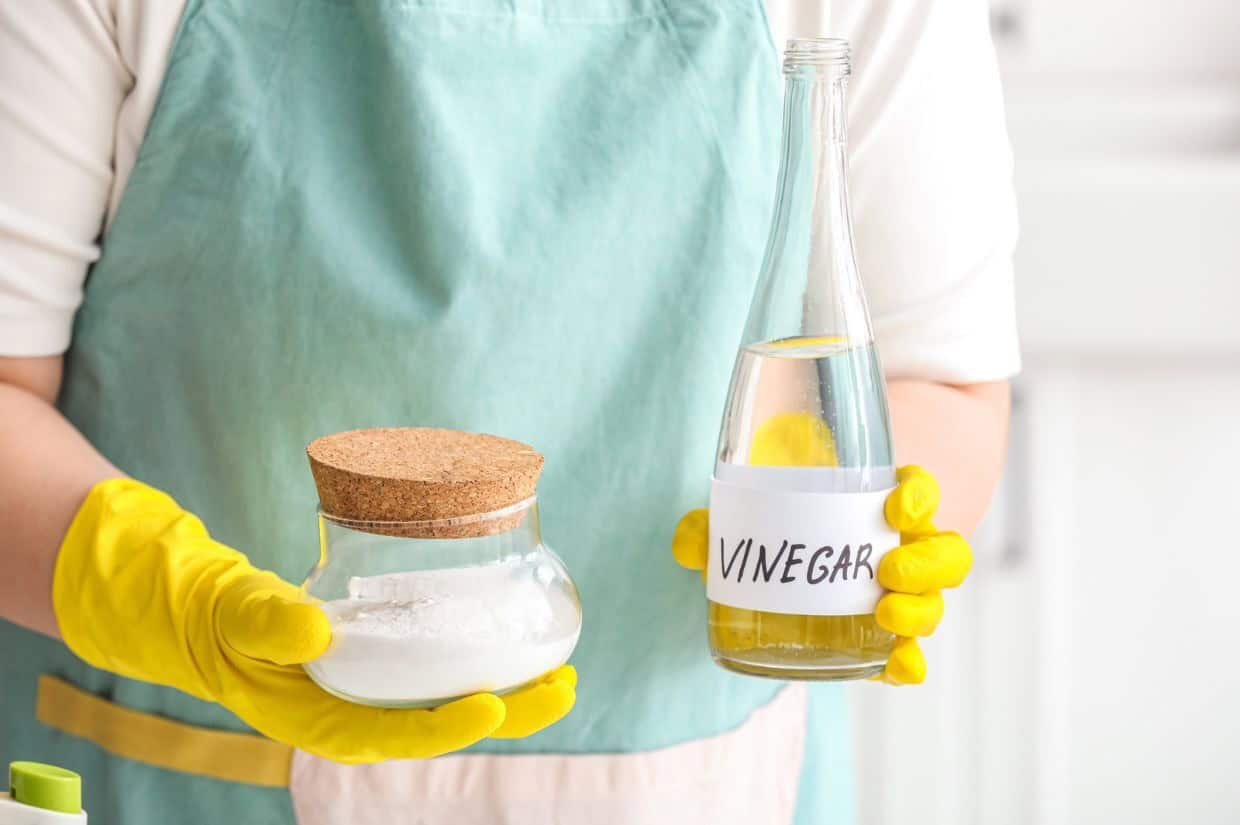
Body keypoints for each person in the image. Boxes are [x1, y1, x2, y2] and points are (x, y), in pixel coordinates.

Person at [0, 0, 1018, 822]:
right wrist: (164, 601)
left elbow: (943, 377)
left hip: (701, 784)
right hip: (182, 776)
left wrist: (855, 533)